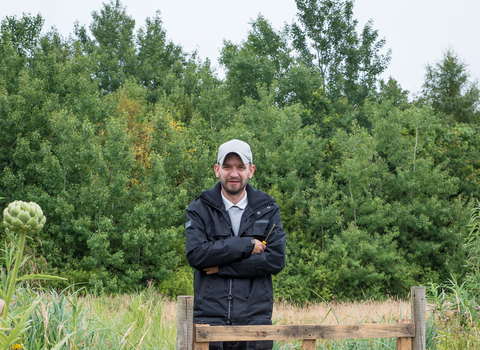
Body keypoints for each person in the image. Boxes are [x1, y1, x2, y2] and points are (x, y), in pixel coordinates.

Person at [185, 139, 287, 350]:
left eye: (240, 167)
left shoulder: (268, 209)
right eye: (227, 167)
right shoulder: (199, 209)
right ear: (217, 170)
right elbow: (196, 255)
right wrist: (246, 244)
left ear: (251, 171)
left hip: (255, 323)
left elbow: (275, 260)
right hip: (209, 322)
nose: (233, 173)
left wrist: (222, 267)